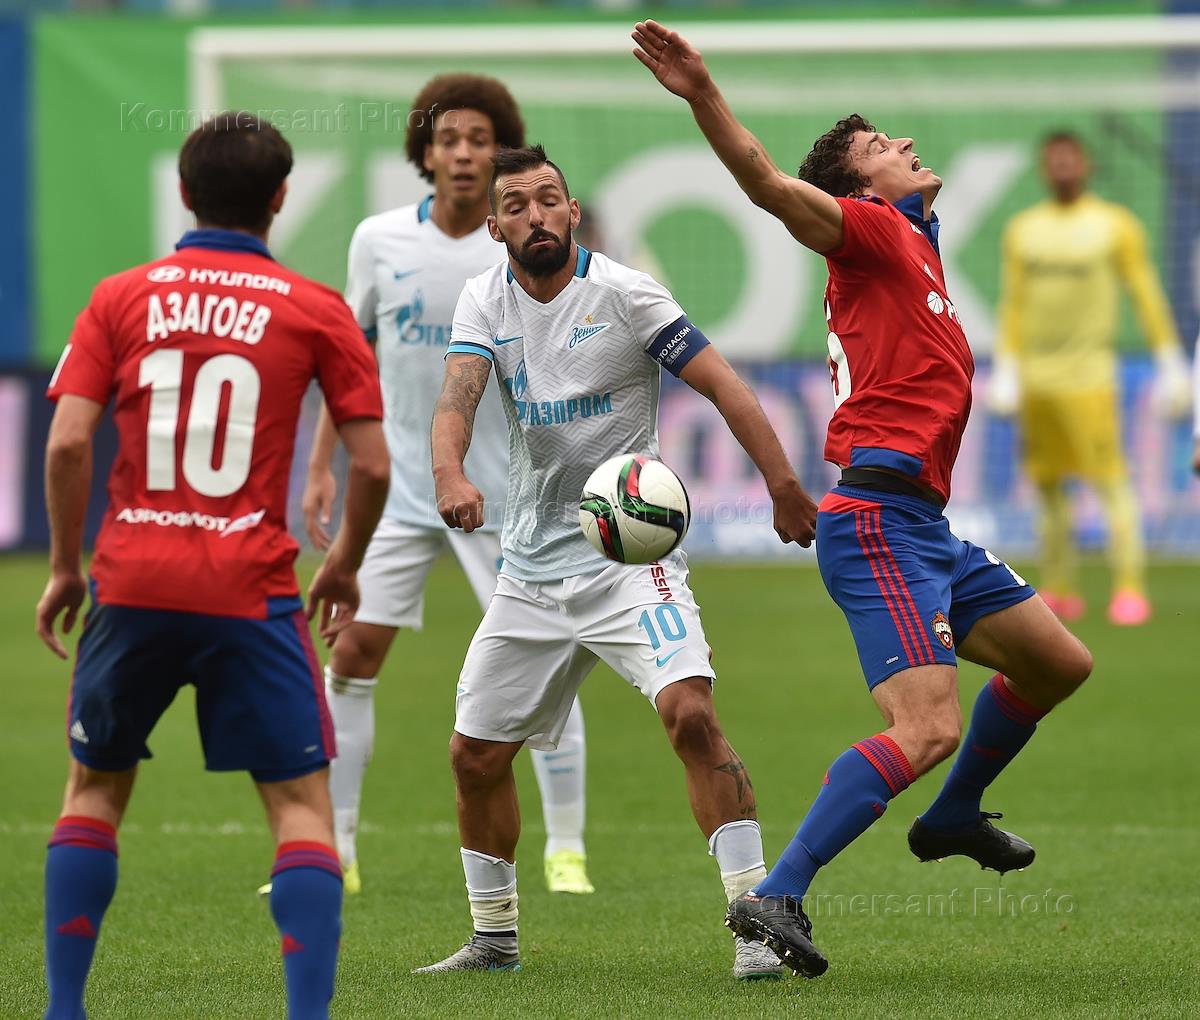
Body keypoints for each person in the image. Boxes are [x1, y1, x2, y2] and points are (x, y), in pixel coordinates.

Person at [632, 20, 1094, 978]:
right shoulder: (871, 233)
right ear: (860, 191)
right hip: (879, 523)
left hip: (921, 524)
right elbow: (769, 186)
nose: (906, 143)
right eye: (883, 145)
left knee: (1057, 661)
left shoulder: (915, 242)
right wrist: (702, 92)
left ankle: (952, 815)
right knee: (926, 726)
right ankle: (778, 892)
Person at [416, 144, 818, 979]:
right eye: (515, 205)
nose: (535, 215)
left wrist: (783, 485)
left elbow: (725, 387)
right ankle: (494, 940)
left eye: (548, 199)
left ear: (572, 213)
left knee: (692, 716)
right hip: (532, 569)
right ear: (495, 227)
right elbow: (457, 398)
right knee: (472, 757)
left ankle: (756, 932)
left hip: (629, 562)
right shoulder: (484, 299)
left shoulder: (628, 295)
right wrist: (450, 473)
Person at [35, 112, 389, 1020]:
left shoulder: (119, 297)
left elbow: (68, 442)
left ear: (185, 194)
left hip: (132, 581)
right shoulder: (314, 308)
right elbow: (375, 465)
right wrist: (344, 565)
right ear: (281, 198)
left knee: (93, 791)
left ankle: (63, 1009)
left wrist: (68, 566)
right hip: (249, 589)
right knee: (300, 808)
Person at [299, 74, 593, 898]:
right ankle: (338, 849)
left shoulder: (520, 244)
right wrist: (321, 465)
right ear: (424, 154)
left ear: (500, 156)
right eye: (448, 139)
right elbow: (351, 360)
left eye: (479, 141)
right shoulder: (379, 241)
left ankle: (566, 849)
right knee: (351, 653)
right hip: (396, 490)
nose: (463, 154)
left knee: (543, 663)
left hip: (504, 498)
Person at [991, 131, 1189, 626]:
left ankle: (1129, 589)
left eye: (1070, 159)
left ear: (1086, 165)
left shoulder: (1114, 225)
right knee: (1047, 486)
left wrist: (1169, 359)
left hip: (1090, 377)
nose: (1062, 167)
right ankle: (1059, 588)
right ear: (1043, 168)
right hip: (1037, 380)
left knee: (1110, 481)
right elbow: (1013, 303)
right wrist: (1006, 365)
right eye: (1053, 160)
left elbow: (1145, 293)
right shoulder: (1023, 229)